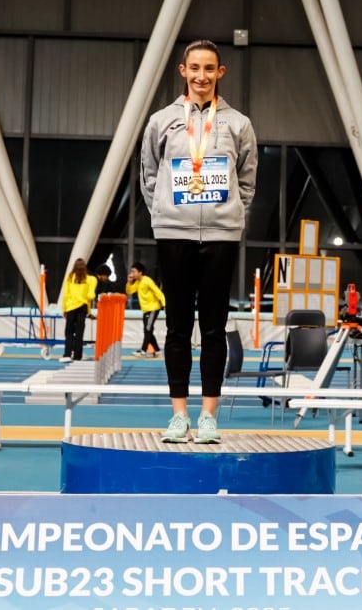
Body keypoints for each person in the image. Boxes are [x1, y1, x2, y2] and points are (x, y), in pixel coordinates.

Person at [140, 39, 257, 443]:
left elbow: (247, 181)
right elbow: (149, 176)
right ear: (182, 71)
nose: (202, 76)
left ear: (220, 73)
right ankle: (178, 415)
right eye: (195, 68)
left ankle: (208, 415)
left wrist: (231, 216)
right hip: (174, 232)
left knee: (213, 326)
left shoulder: (239, 124)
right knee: (176, 327)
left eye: (209, 68)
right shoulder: (161, 121)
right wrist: (165, 213)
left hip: (221, 235)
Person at [125, 262, 166, 357]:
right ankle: (157, 350)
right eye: (132, 271)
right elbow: (129, 291)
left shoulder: (147, 280)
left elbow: (158, 292)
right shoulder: (138, 282)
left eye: (134, 271)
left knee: (148, 329)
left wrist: (164, 304)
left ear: (140, 272)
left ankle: (143, 351)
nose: (132, 273)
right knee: (148, 330)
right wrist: (129, 282)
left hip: (153, 308)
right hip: (146, 310)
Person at [61, 258, 97, 362]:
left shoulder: (70, 277)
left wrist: (64, 309)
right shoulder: (91, 279)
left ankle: (67, 354)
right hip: (83, 307)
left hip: (71, 307)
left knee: (69, 332)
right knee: (79, 332)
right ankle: (77, 356)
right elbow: (91, 296)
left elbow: (66, 295)